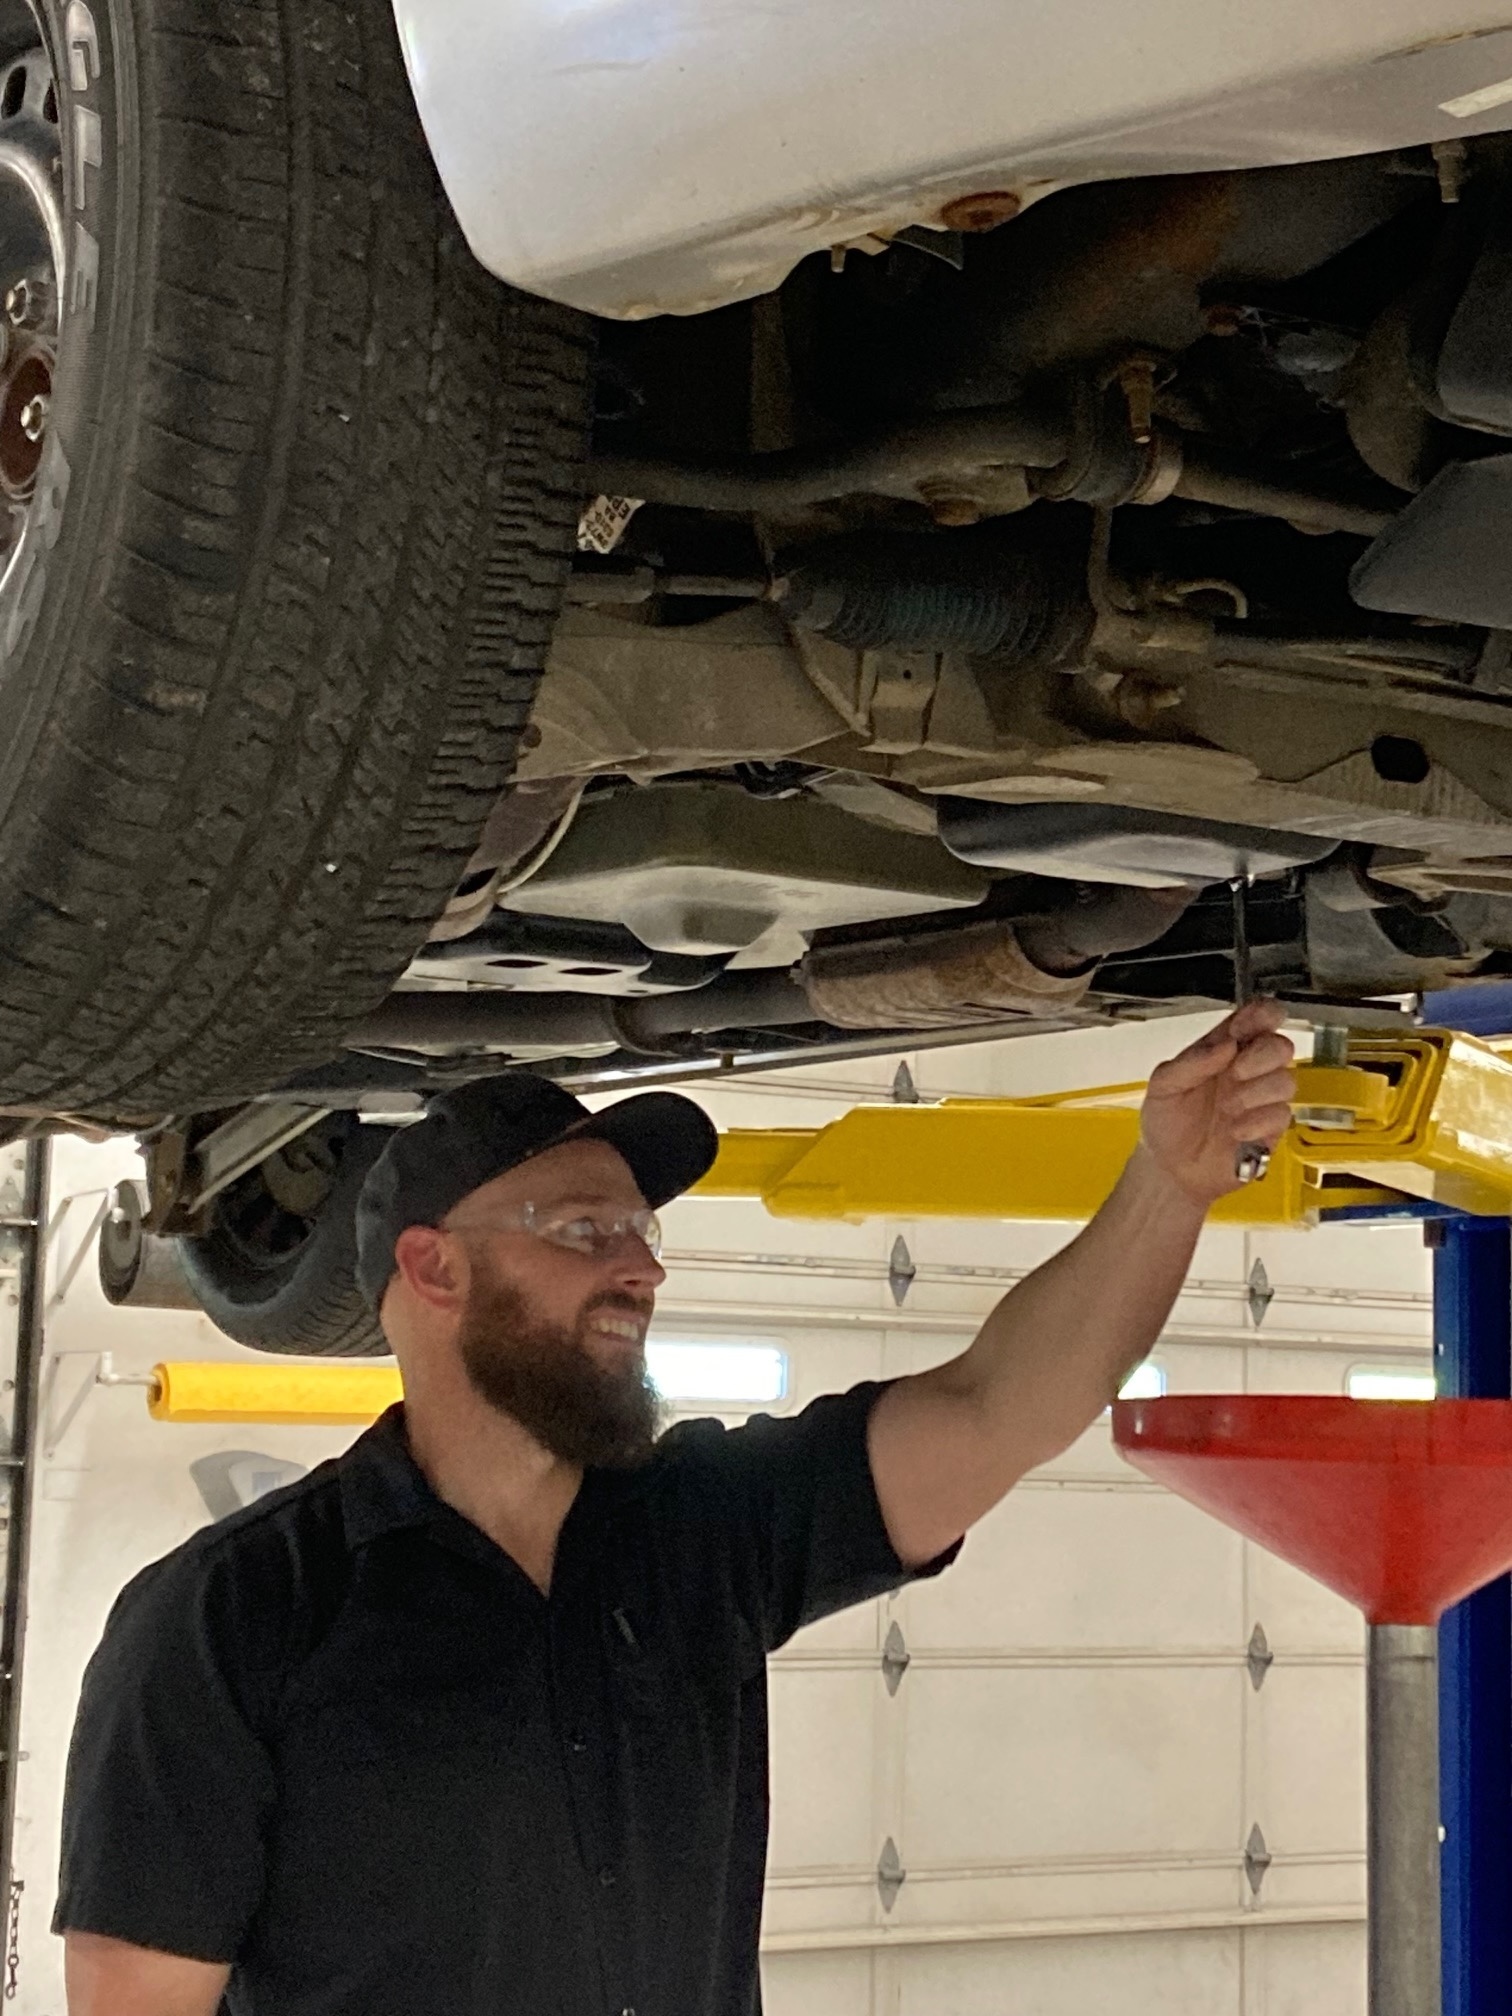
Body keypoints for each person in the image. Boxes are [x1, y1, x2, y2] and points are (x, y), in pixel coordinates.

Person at [55, 1003, 1293, 2016]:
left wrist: (1168, 1186)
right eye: (585, 1227)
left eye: (642, 1230)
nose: (640, 1266)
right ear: (434, 1267)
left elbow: (993, 1407)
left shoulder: (700, 1527)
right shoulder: (232, 1617)